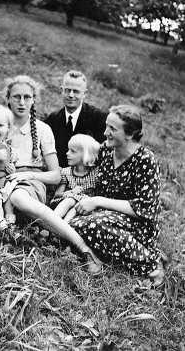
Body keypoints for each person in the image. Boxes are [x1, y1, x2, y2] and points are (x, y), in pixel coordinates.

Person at [1, 75, 102, 273]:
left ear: (33, 100)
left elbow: (56, 175)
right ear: (8, 98)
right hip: (0, 178)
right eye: (16, 97)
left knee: (19, 198)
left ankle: (83, 247)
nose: (22, 102)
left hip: (30, 181)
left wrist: (27, 176)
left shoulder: (42, 129)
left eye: (27, 97)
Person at [69, 104, 165, 286]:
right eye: (106, 126)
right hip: (105, 214)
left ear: (130, 134)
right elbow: (95, 185)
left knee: (90, 226)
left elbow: (145, 209)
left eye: (113, 129)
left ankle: (151, 262)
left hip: (138, 224)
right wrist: (76, 192)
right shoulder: (106, 151)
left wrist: (97, 201)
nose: (105, 132)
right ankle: (101, 252)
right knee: (71, 222)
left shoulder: (145, 160)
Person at [45, 70, 107, 167]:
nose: (71, 95)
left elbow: (103, 154)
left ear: (84, 93)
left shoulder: (98, 118)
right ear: (62, 90)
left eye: (76, 91)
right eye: (67, 90)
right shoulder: (52, 119)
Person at [50, 134, 100, 223]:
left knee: (77, 206)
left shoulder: (96, 173)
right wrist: (71, 192)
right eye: (68, 150)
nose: (67, 153)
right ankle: (51, 222)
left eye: (72, 151)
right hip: (64, 203)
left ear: (86, 155)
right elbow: (57, 194)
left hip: (84, 208)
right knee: (70, 200)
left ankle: (62, 227)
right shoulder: (66, 172)